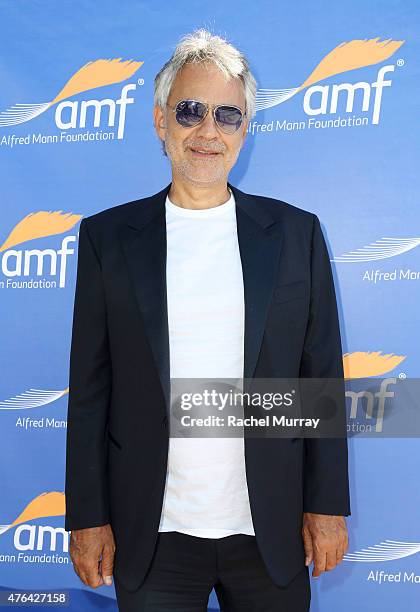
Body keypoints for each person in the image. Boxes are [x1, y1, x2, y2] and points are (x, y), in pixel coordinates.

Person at [65, 28, 350, 612]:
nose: (208, 131)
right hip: (152, 535)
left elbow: (318, 380)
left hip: (269, 530)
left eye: (228, 115)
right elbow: (91, 389)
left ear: (245, 130)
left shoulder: (296, 235)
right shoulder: (108, 239)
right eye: (190, 111)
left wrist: (326, 507)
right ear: (160, 120)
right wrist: (88, 517)